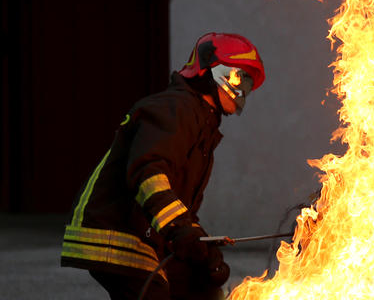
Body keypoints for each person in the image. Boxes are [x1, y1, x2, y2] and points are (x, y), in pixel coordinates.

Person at [61, 32, 265, 300]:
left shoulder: (202, 123)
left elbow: (179, 203)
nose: (243, 91)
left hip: (143, 232)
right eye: (240, 78)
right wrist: (179, 229)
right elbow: (148, 173)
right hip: (116, 231)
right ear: (211, 70)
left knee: (200, 286)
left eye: (247, 84)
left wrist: (202, 246)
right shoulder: (176, 108)